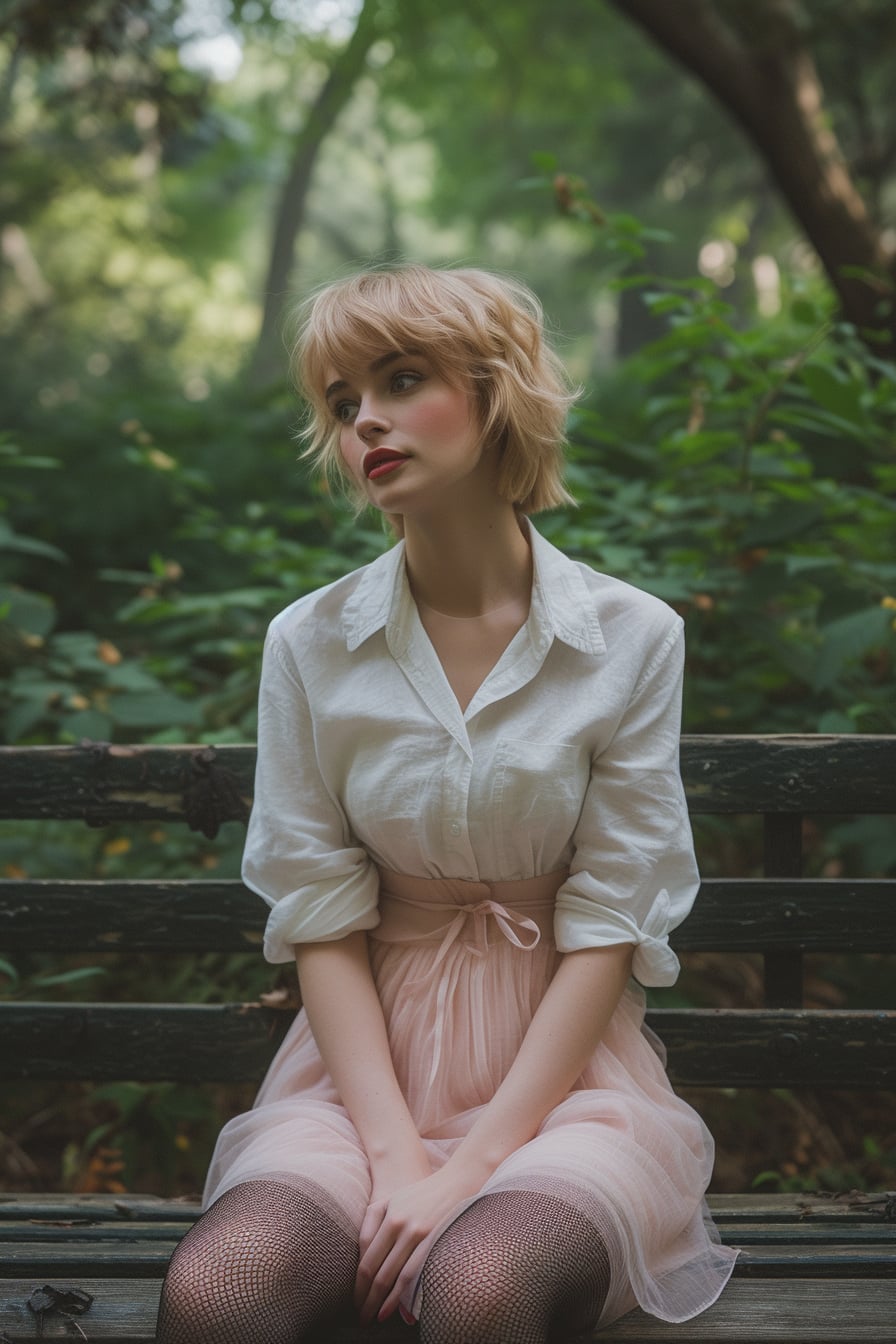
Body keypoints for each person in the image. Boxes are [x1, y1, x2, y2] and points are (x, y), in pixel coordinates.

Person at [156, 264, 737, 1343]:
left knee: (477, 1287)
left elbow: (610, 918)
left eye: (400, 379)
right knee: (220, 1290)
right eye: (341, 402)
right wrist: (393, 1163)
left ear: (492, 389)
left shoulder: (631, 637)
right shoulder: (310, 643)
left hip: (565, 1091)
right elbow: (318, 914)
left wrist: (470, 1167)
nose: (364, 419)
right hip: (356, 1084)